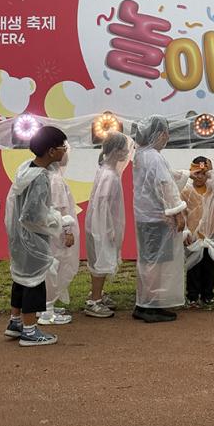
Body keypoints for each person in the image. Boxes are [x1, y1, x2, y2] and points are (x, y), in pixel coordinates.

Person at [3, 126, 75, 347]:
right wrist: (59, 220)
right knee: (34, 281)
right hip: (32, 239)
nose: (65, 151)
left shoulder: (26, 168)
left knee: (21, 278)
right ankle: (29, 330)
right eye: (63, 147)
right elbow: (33, 215)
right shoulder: (41, 177)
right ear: (52, 151)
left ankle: (15, 322)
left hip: (19, 236)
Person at [132, 115, 188, 323]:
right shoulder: (154, 156)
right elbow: (165, 185)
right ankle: (148, 305)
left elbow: (167, 178)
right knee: (155, 263)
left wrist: (187, 174)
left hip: (146, 217)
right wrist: (177, 212)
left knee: (150, 261)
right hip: (156, 218)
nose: (167, 137)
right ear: (160, 134)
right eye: (166, 133)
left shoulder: (141, 154)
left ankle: (149, 302)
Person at [83, 131, 134, 318]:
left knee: (99, 260)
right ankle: (94, 301)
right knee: (100, 262)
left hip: (99, 225)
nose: (127, 153)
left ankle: (97, 295)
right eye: (124, 149)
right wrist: (109, 229)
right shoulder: (109, 175)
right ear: (116, 151)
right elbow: (102, 204)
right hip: (101, 227)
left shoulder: (107, 170)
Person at [38, 142, 78, 326]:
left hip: (50, 231)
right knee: (56, 266)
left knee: (51, 267)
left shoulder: (49, 176)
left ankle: (45, 305)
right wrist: (67, 231)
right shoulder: (55, 179)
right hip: (57, 233)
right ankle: (47, 309)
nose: (66, 154)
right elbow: (59, 208)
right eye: (64, 150)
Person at [182, 156, 214, 308]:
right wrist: (185, 231)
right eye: (196, 173)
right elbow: (182, 214)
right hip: (193, 237)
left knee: (209, 266)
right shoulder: (186, 191)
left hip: (211, 236)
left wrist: (212, 171)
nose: (200, 177)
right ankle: (192, 296)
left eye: (203, 173)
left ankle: (208, 295)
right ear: (191, 173)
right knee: (193, 267)